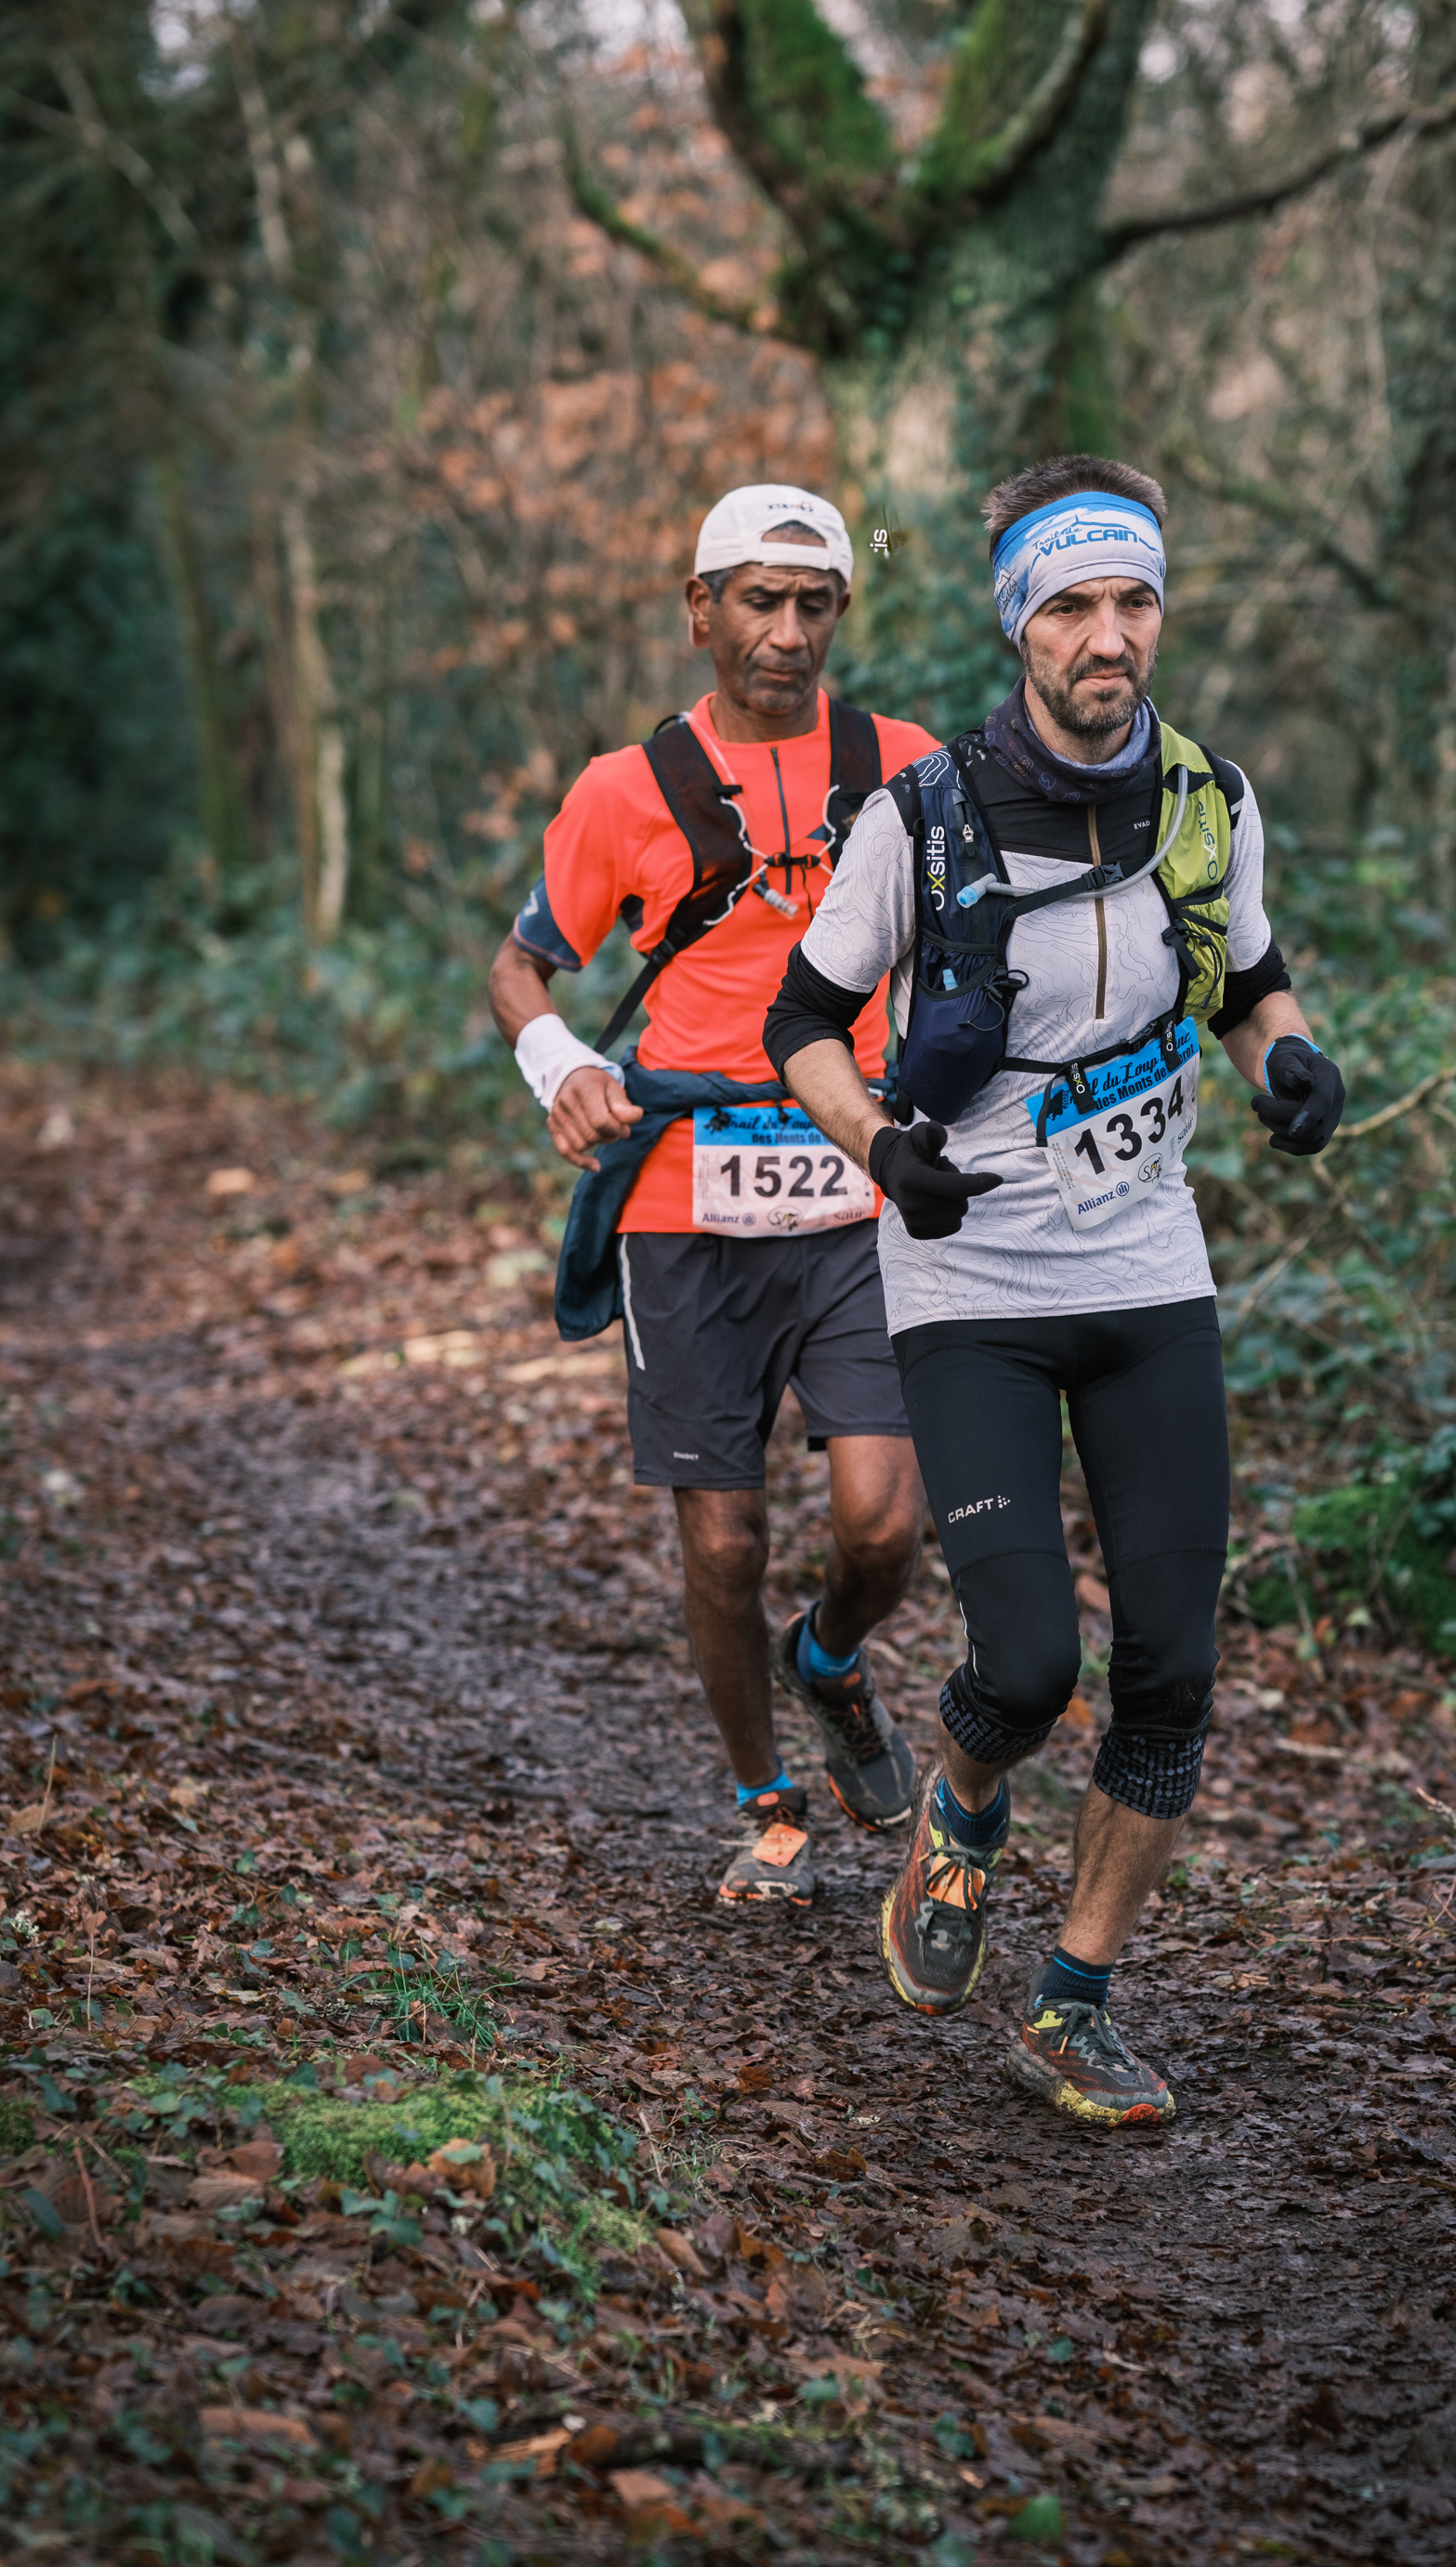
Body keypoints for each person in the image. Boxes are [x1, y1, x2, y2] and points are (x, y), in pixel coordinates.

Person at [764, 454, 1346, 2124]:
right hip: (971, 1278)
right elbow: (801, 1024)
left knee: (1172, 1668)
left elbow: (1252, 979)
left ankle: (1074, 2001)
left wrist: (1290, 1060)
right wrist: (884, 1146)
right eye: (1074, 603)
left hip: (1150, 1270)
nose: (1110, 635)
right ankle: (960, 1808)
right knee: (1026, 1668)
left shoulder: (1208, 800)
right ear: (1020, 622)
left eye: (1134, 599)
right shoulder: (922, 816)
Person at [489, 485, 941, 1905]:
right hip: (687, 1199)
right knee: (725, 1538)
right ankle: (768, 1805)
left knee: (883, 1526)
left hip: (861, 1186)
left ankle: (832, 1658)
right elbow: (521, 967)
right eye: (759, 601)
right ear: (702, 611)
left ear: (840, 614)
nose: (787, 633)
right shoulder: (623, 791)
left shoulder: (910, 769)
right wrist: (562, 1063)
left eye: (814, 605)